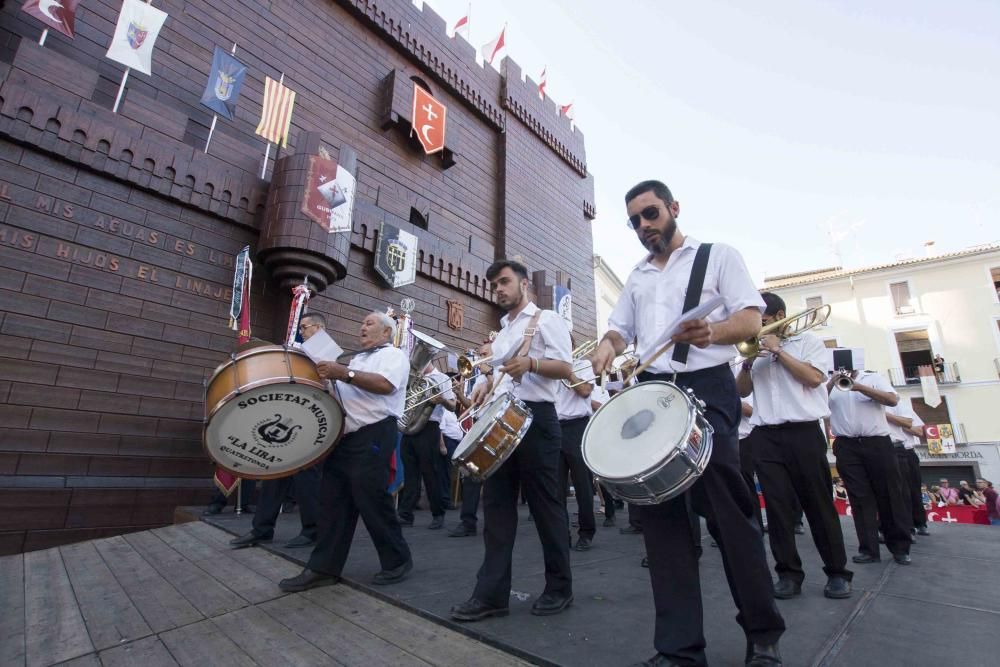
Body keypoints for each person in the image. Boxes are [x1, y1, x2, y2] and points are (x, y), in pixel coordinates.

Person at [592, 180, 784, 667]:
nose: (643, 226)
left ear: (673, 208)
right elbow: (620, 328)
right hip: (654, 393)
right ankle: (678, 650)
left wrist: (713, 330)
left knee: (731, 518)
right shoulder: (636, 276)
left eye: (650, 214)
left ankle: (762, 634)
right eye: (634, 221)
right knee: (661, 523)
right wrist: (608, 345)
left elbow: (750, 319)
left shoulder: (717, 255)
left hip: (708, 388)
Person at [450, 259, 575, 621]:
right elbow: (503, 372)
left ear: (524, 284)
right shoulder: (503, 329)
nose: (499, 290)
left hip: (538, 422)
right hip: (504, 420)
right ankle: (491, 596)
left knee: (546, 507)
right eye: (494, 286)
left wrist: (533, 365)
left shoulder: (547, 320)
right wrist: (487, 385)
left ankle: (559, 587)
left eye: (504, 282)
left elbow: (566, 369)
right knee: (498, 509)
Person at [279, 311, 412, 591]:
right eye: (362, 322)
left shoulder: (393, 355)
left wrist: (342, 372)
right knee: (333, 501)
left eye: (369, 323)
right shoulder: (357, 359)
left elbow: (386, 385)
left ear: (386, 333)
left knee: (372, 499)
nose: (362, 326)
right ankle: (323, 568)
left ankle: (397, 560)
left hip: (375, 432)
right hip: (346, 437)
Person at [735, 293, 852, 601]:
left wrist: (779, 352)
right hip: (765, 434)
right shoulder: (754, 350)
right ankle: (788, 573)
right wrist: (747, 364)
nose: (756, 326)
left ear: (780, 315)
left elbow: (814, 379)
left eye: (762, 320)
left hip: (803, 433)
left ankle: (837, 572)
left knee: (818, 504)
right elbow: (741, 391)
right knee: (776, 508)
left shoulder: (809, 342)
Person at [228, 312, 328, 550]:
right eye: (301, 328)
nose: (301, 332)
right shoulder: (306, 348)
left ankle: (312, 530)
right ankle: (261, 529)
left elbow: (325, 378)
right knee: (275, 475)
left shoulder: (326, 347)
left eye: (304, 328)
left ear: (319, 328)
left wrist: (292, 352)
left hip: (312, 420)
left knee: (307, 478)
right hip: (292, 415)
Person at [828, 368, 912, 565]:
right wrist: (832, 382)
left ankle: (900, 547)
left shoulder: (873, 377)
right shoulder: (830, 382)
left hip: (877, 443)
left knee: (890, 495)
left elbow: (892, 400)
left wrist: (859, 387)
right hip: (846, 444)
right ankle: (868, 549)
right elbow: (816, 405)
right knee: (859, 498)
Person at [397, 362, 456, 529]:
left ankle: (438, 514)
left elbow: (452, 406)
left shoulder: (442, 378)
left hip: (429, 428)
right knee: (410, 474)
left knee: (431, 473)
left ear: (429, 359)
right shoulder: (412, 377)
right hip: (409, 427)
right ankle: (405, 514)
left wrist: (442, 400)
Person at [556, 353, 597, 551]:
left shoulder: (583, 365)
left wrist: (567, 372)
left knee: (583, 485)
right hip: (554, 427)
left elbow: (585, 390)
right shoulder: (548, 365)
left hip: (577, 427)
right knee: (556, 488)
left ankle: (586, 532)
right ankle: (562, 533)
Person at [885, 399, 929, 535]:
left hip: (907, 451)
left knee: (913, 489)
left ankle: (920, 522)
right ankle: (905, 526)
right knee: (895, 491)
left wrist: (895, 423)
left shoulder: (901, 406)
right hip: (886, 450)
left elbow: (919, 431)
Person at [437, 396, 465, 511]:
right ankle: (445, 500)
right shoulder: (443, 411)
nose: (456, 401)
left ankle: (448, 498)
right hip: (448, 442)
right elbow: (440, 430)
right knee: (446, 472)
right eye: (453, 399)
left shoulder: (452, 413)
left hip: (455, 443)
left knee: (450, 472)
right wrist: (442, 445)